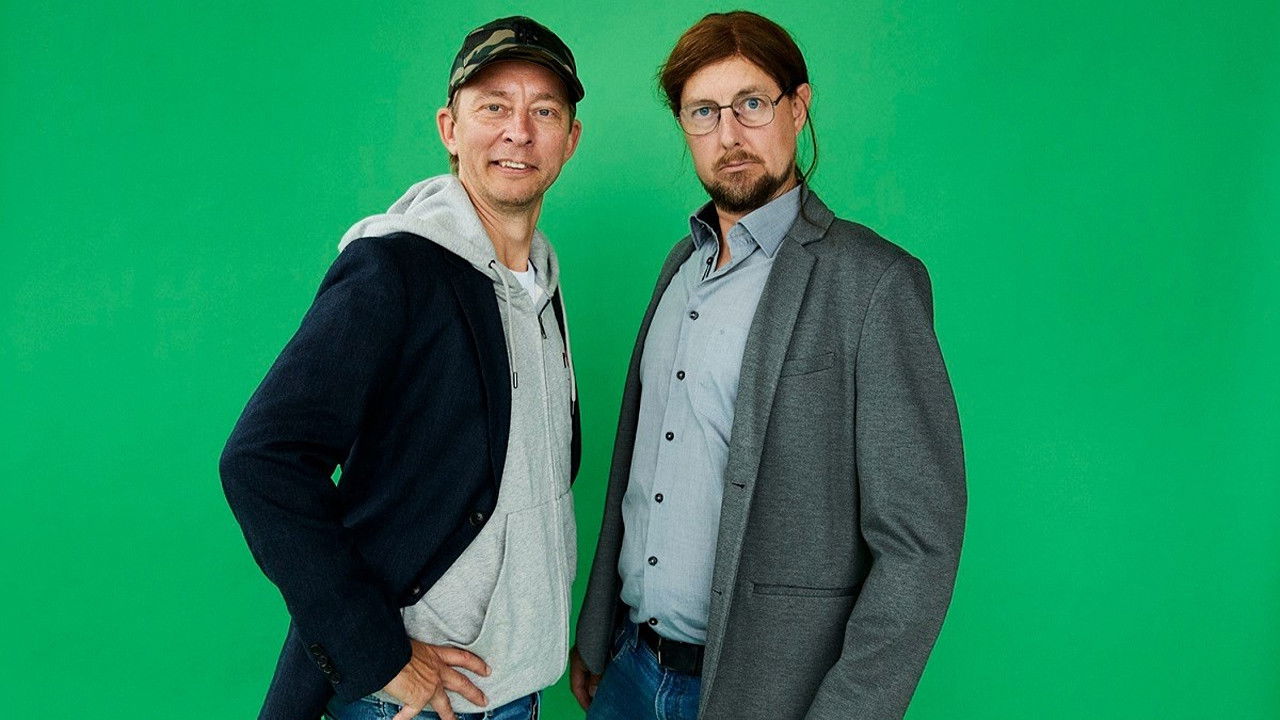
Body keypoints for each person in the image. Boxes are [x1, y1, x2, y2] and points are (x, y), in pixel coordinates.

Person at [570, 11, 965, 720]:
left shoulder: (873, 284)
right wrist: (598, 634)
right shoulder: (679, 268)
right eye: (703, 112)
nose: (729, 135)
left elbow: (919, 545)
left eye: (751, 103)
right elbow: (639, 469)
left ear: (797, 107)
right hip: (627, 671)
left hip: (766, 695)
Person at [220, 16, 584, 720]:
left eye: (544, 111)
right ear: (450, 128)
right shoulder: (393, 268)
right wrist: (377, 654)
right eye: (494, 107)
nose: (519, 131)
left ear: (570, 139)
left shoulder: (540, 280)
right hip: (410, 705)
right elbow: (260, 460)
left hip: (517, 690)